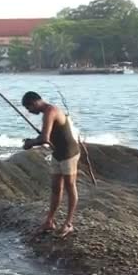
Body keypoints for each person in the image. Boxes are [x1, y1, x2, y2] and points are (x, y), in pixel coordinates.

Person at [21, 91, 80, 238]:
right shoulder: (46, 113)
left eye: (29, 108)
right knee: (55, 188)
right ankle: (49, 221)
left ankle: (68, 223)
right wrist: (34, 140)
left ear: (34, 103)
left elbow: (45, 139)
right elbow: (47, 136)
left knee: (70, 186)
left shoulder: (51, 111)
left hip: (69, 154)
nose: (29, 112)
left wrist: (30, 143)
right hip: (57, 154)